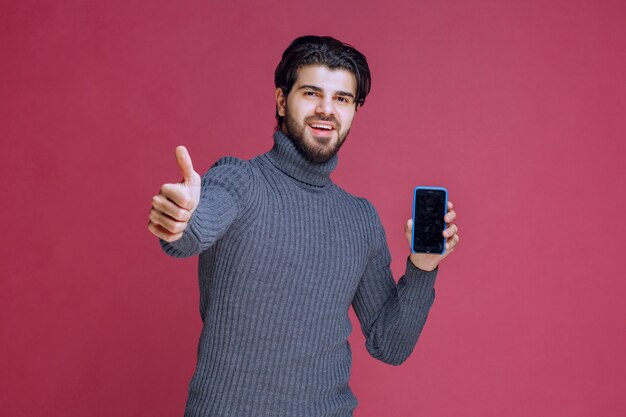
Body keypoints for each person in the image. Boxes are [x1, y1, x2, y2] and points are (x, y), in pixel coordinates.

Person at [148, 35, 459, 417]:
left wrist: (424, 268)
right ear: (282, 100)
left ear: (355, 110)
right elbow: (196, 228)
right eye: (311, 93)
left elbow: (390, 346)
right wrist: (181, 218)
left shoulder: (360, 219)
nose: (326, 110)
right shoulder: (239, 180)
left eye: (342, 99)